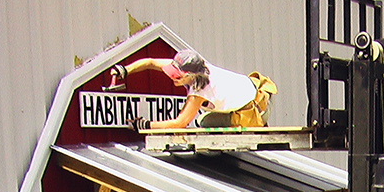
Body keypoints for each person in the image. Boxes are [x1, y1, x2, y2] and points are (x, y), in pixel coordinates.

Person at [111, 49, 277, 130]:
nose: (172, 78)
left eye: (178, 76)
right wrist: (125, 70)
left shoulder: (201, 91)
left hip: (256, 109)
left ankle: (255, 122)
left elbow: (180, 123)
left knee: (202, 121)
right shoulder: (198, 66)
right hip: (258, 94)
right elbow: (150, 62)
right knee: (206, 114)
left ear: (192, 76)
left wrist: (145, 125)